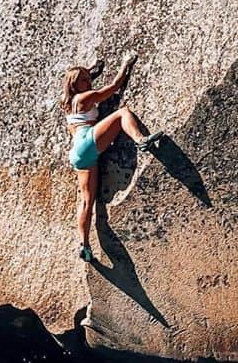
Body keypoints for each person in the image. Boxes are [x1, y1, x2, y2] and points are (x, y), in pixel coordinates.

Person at [60, 52, 163, 262]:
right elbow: (115, 87)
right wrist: (125, 64)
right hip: (87, 140)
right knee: (122, 113)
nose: (88, 81)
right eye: (84, 80)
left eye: (88, 78)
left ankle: (84, 245)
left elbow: (84, 80)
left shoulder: (69, 102)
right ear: (74, 84)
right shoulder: (84, 97)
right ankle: (140, 140)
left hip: (78, 154)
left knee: (88, 200)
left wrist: (90, 70)